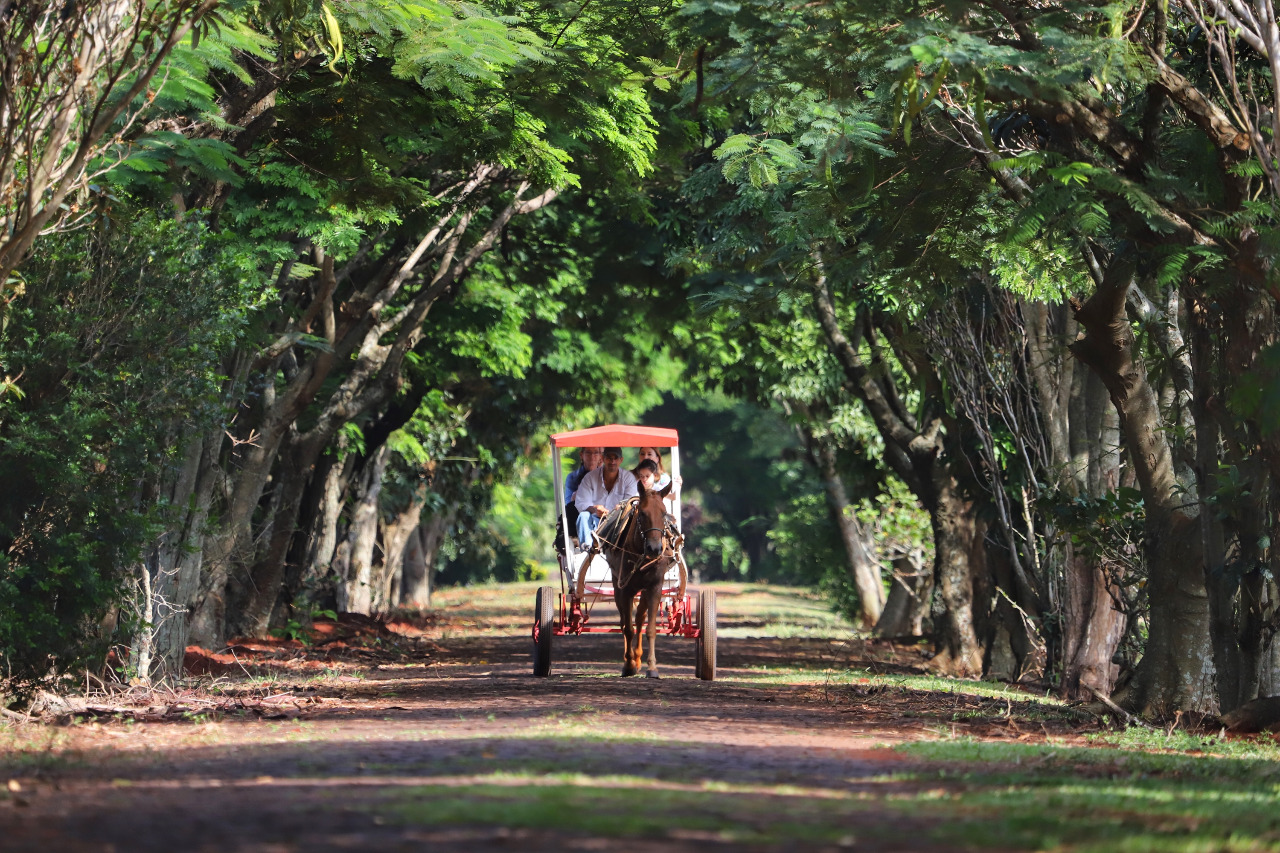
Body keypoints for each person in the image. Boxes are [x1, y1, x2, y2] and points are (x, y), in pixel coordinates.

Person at [574, 446, 638, 546]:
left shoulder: (629, 478)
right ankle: (587, 550)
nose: (612, 461)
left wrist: (619, 510)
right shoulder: (590, 477)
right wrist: (595, 509)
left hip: (618, 523)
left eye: (615, 458)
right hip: (594, 521)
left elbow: (631, 503)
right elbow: (581, 504)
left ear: (621, 460)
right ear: (603, 458)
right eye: (609, 457)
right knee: (583, 516)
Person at [563, 447, 602, 533]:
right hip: (580, 516)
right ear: (581, 455)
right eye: (588, 453)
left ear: (600, 456)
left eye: (595, 453)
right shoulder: (573, 477)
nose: (592, 456)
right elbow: (570, 503)